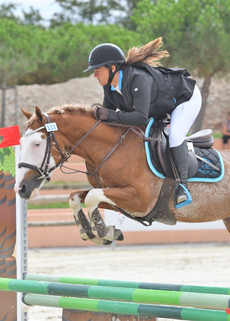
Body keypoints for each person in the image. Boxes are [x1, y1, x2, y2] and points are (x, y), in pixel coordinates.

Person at [85, 37, 200, 209]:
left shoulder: (137, 79)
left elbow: (139, 117)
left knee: (175, 135)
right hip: (160, 105)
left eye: (97, 70)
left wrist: (108, 114)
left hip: (184, 98)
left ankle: (182, 186)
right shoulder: (109, 86)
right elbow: (107, 117)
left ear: (112, 68)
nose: (94, 75)